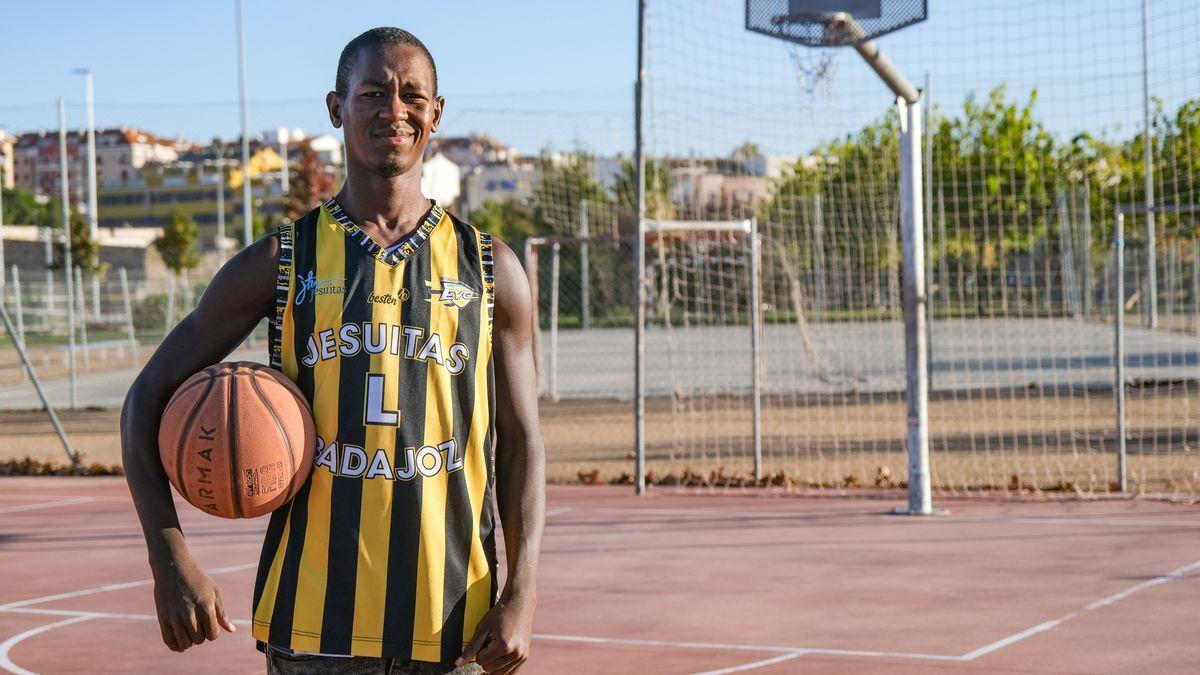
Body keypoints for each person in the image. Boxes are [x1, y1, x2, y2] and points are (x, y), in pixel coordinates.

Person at [121, 27, 545, 675]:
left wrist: (522, 591)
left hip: (455, 624)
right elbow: (145, 400)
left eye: (411, 95)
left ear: (436, 112)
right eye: (372, 92)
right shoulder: (280, 261)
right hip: (313, 624)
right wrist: (169, 555)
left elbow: (522, 441)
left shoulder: (491, 268)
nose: (393, 108)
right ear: (335, 107)